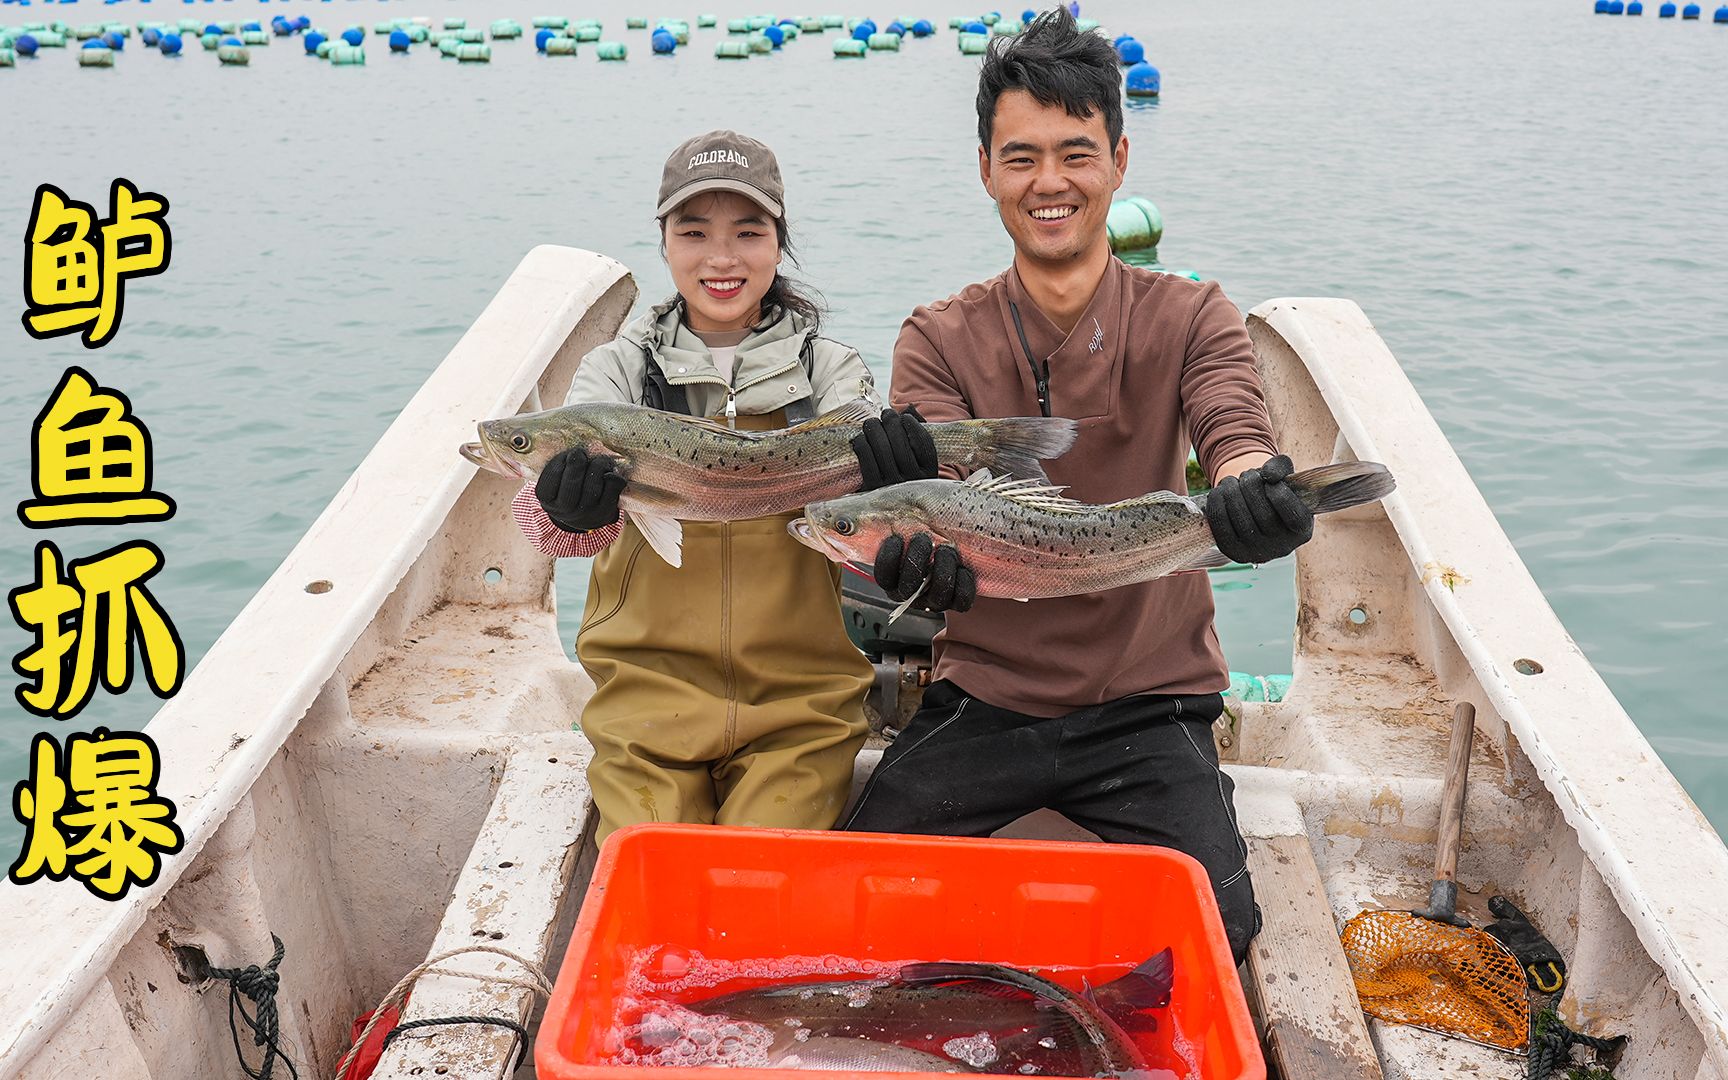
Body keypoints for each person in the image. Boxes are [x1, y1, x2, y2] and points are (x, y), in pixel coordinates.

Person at [842, 11, 1316, 966]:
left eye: (1075, 153)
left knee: (1219, 934)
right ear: (984, 169)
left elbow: (1231, 420)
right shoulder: (936, 337)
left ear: (1119, 157)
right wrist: (915, 571)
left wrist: (1243, 493)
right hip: (984, 692)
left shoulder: (1192, 313)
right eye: (1020, 158)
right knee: (859, 905)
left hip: (1153, 700)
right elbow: (936, 501)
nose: (1049, 183)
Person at [512, 130, 938, 841]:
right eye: (694, 231)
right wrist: (565, 510)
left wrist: (898, 499)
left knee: (761, 887)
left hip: (800, 709)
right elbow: (555, 533)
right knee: (658, 879)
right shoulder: (617, 373)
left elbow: (873, 542)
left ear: (779, 241)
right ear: (665, 242)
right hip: (646, 707)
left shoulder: (830, 371)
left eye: (748, 231)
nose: (721, 257)